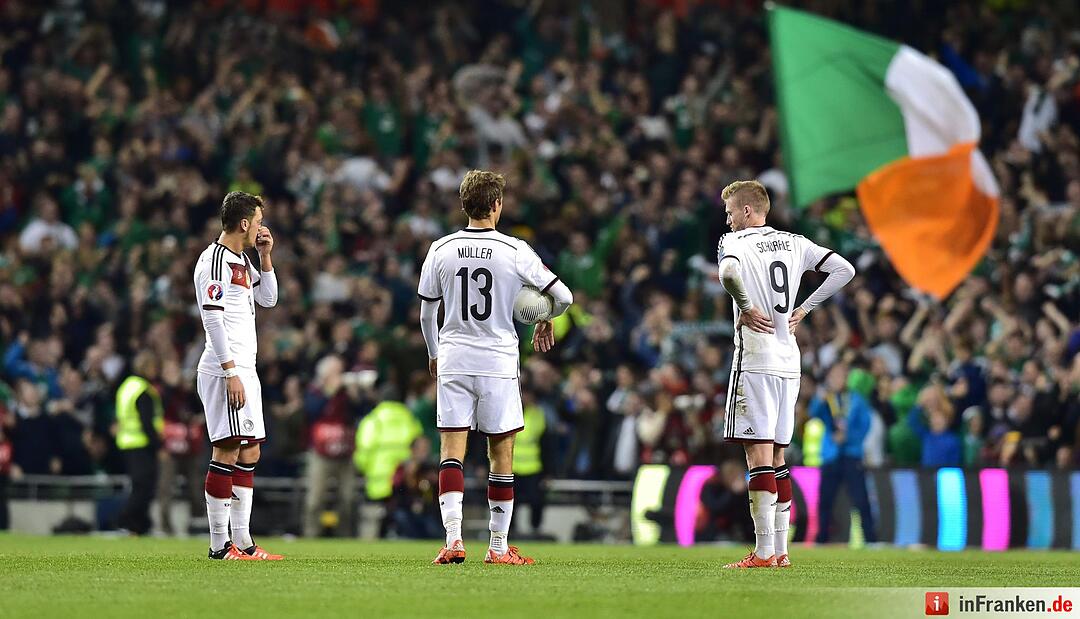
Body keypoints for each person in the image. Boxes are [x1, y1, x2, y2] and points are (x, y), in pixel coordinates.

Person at [419, 170, 573, 565]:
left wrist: (435, 353)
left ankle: (453, 540)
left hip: (454, 356)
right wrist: (545, 315)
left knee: (451, 452)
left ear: (464, 204)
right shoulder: (514, 250)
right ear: (496, 205)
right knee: (500, 455)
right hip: (497, 361)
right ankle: (498, 547)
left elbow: (426, 314)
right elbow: (565, 297)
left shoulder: (441, 248)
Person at [715, 180, 855, 568]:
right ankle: (780, 552)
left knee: (757, 456)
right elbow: (845, 269)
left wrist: (743, 304)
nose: (727, 222)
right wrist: (805, 309)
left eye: (730, 214)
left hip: (756, 357)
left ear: (747, 211)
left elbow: (728, 274)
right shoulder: (796, 242)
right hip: (788, 358)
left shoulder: (737, 244)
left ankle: (762, 552)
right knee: (778, 457)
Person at [193, 191, 281, 561]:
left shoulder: (241, 260)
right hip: (224, 368)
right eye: (258, 221)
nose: (262, 226)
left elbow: (269, 299)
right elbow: (212, 317)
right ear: (244, 223)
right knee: (227, 448)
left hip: (246, 367)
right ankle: (218, 545)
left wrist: (265, 256)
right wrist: (230, 372)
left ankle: (243, 541)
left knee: (250, 449)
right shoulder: (213, 261)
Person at [810, 363, 877, 544]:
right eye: (834, 375)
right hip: (831, 455)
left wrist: (848, 437)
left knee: (860, 499)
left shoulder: (856, 399)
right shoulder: (826, 399)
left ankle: (871, 539)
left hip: (851, 454)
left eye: (841, 375)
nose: (838, 379)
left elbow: (865, 425)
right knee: (825, 500)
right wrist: (819, 400)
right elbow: (812, 414)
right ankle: (822, 538)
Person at [114, 352, 164, 535]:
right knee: (144, 487)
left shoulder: (127, 387)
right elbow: (147, 423)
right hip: (142, 444)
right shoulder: (144, 390)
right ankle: (125, 520)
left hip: (127, 442)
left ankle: (139, 525)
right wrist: (158, 446)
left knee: (139, 486)